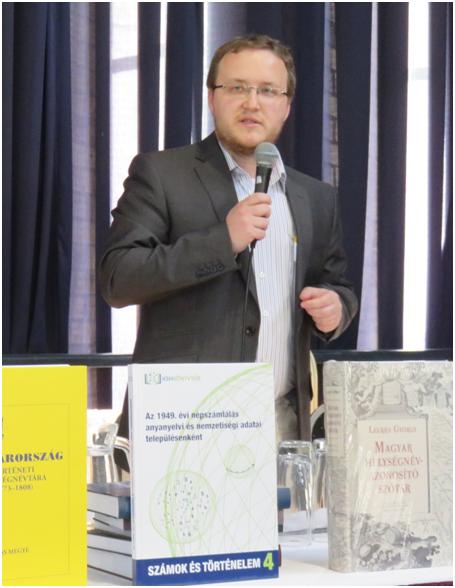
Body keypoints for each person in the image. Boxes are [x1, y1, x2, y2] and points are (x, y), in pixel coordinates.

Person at [99, 34, 358, 450]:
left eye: (268, 91)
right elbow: (118, 278)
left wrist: (336, 308)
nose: (252, 103)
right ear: (212, 98)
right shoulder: (161, 174)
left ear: (286, 106)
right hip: (184, 426)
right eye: (237, 87)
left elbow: (337, 285)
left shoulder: (317, 197)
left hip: (282, 427)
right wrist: (224, 240)